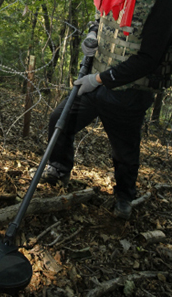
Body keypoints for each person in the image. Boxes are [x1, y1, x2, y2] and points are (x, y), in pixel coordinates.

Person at [40, 0, 172, 220]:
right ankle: (59, 169)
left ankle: (124, 198)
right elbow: (101, 18)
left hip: (129, 92)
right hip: (96, 81)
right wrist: (92, 35)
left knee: (124, 151)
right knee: (59, 119)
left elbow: (149, 59)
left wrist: (99, 79)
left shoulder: (162, 5)